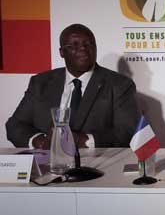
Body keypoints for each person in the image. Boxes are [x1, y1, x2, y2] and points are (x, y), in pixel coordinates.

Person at [6, 24, 140, 148]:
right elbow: (15, 125)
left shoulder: (119, 84)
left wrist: (83, 141)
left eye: (89, 44)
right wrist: (41, 142)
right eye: (74, 45)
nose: (82, 48)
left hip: (96, 166)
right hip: (46, 163)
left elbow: (128, 131)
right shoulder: (40, 82)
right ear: (62, 52)